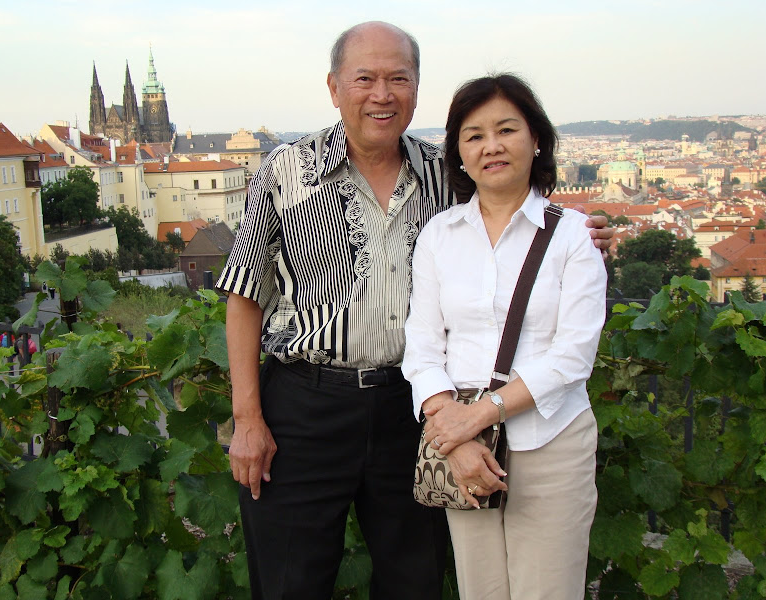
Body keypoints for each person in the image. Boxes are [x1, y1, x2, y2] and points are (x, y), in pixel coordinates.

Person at [215, 23, 613, 600]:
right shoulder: (285, 170)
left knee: (415, 581)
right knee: (288, 583)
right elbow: (244, 294)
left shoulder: (444, 173)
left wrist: (582, 235)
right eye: (365, 79)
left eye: (398, 78)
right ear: (334, 87)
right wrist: (247, 419)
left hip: (414, 411)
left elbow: (508, 218)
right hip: (304, 409)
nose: (382, 94)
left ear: (417, 88)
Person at [402, 73, 608, 600]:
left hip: (550, 442)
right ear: (459, 153)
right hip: (462, 450)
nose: (491, 146)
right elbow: (422, 346)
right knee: (480, 590)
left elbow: (573, 356)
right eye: (474, 136)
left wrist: (476, 417)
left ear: (535, 139)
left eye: (506, 130)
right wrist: (456, 436)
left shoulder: (572, 235)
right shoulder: (439, 236)